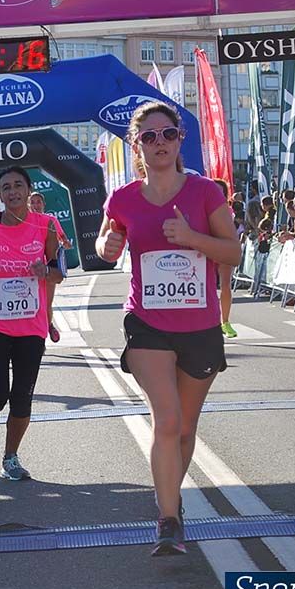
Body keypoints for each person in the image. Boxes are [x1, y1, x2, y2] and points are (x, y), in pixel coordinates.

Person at [95, 102, 240, 556]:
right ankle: (169, 519)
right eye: (149, 137)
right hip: (147, 322)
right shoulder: (122, 198)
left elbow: (232, 253)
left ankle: (168, 499)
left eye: (168, 134)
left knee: (185, 428)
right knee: (168, 418)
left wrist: (192, 238)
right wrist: (108, 243)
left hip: (199, 325)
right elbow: (103, 242)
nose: (160, 143)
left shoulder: (203, 193)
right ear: (137, 147)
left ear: (180, 140)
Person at [0, 166, 62, 481]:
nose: (13, 192)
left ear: (28, 190)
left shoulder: (45, 225)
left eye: (19, 185)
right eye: (6, 187)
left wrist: (45, 272)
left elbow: (59, 270)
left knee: (22, 396)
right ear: (0, 194)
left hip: (31, 326)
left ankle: (10, 458)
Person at [29, 191, 73, 343]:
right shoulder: (24, 221)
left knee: (46, 302)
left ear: (43, 204)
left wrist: (65, 244)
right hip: (30, 269)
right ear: (28, 204)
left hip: (49, 267)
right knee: (33, 304)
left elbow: (63, 238)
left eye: (38, 202)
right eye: (33, 202)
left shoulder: (51, 220)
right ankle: (37, 336)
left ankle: (49, 325)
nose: (36, 205)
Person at [209, 180, 237, 338]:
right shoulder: (202, 208)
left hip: (225, 248)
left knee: (226, 285)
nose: (217, 194)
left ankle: (225, 322)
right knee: (209, 286)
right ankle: (212, 321)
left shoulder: (228, 210)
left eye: (220, 192)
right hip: (209, 249)